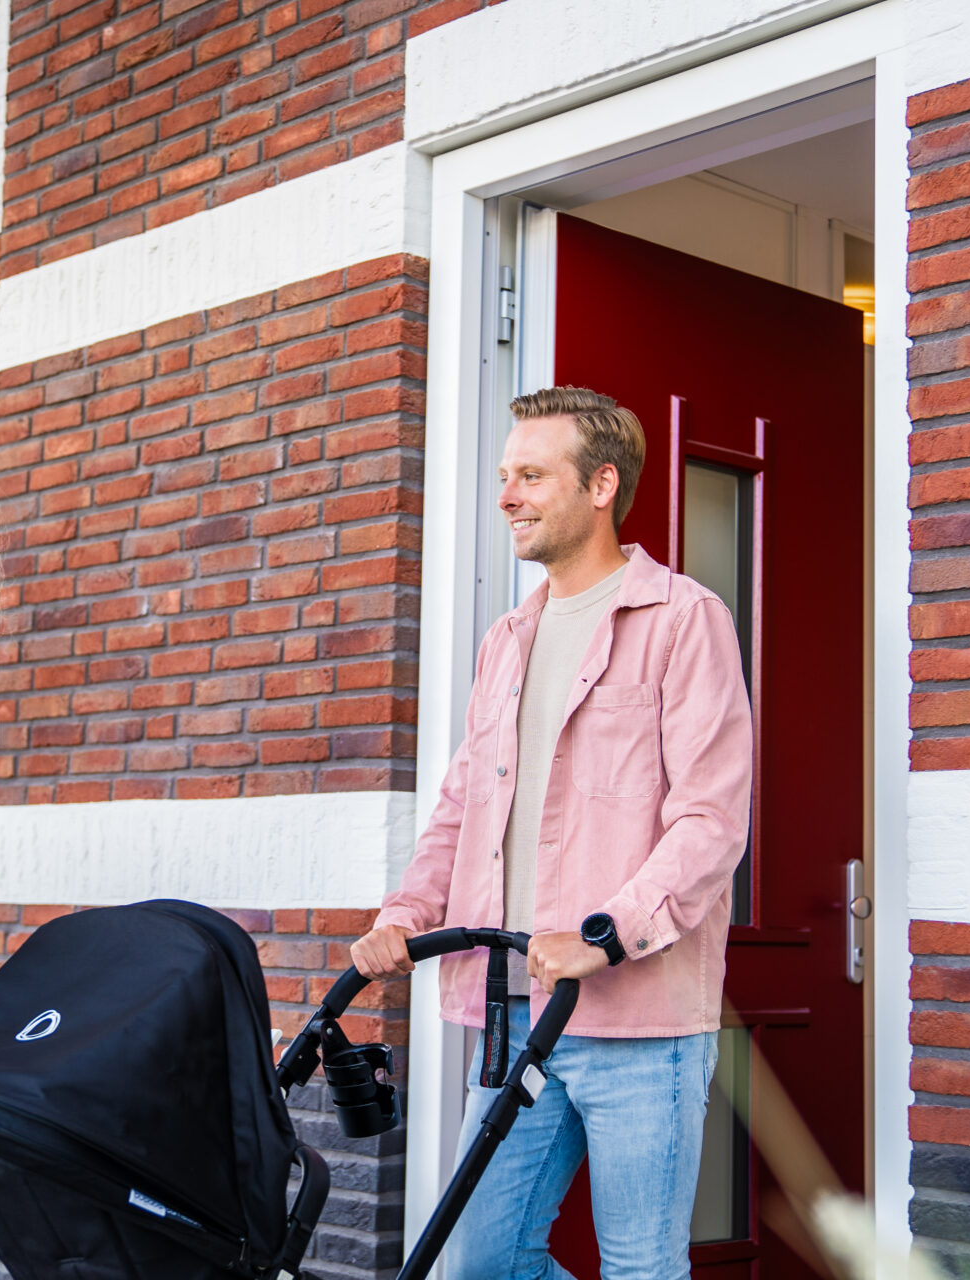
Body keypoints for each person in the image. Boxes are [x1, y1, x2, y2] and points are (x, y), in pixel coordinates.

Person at [352, 386, 754, 1280]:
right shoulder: (507, 640)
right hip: (509, 1011)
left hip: (640, 1023)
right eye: (505, 475)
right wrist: (408, 911)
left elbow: (712, 817)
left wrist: (605, 934)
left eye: (531, 475)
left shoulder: (685, 621)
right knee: (485, 1263)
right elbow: (463, 804)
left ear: (602, 484)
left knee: (644, 1268)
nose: (508, 496)